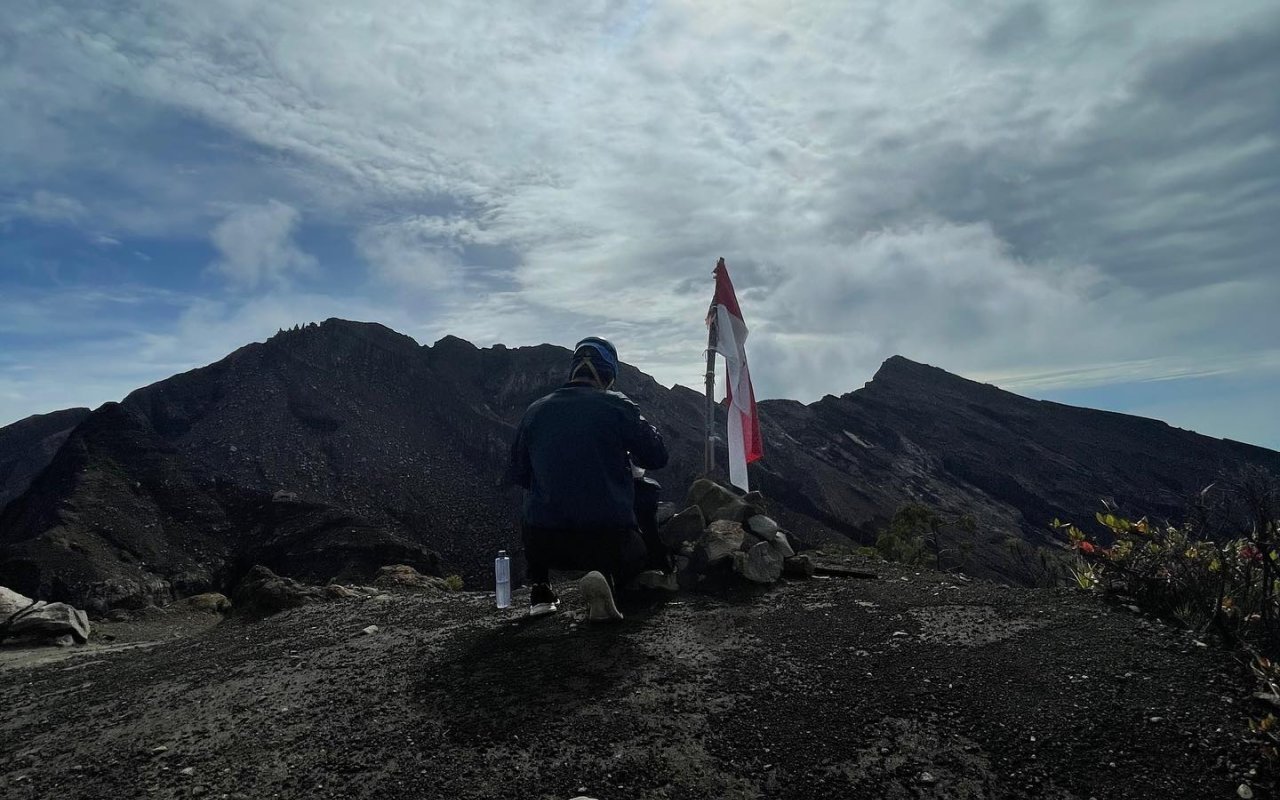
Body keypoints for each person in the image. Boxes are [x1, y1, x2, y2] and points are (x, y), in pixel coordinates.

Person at [506, 336, 669, 620]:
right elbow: (657, 457)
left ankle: (541, 590)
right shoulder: (618, 406)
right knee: (643, 490)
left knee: (532, 493)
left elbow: (520, 474)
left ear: (573, 372)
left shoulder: (534, 410)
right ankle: (619, 578)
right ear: (608, 375)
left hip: (547, 546)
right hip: (607, 542)